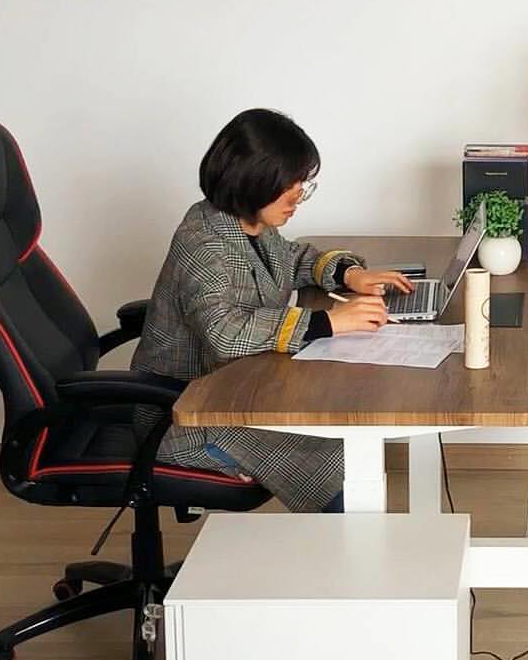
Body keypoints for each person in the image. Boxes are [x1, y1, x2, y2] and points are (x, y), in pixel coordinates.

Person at [132, 108, 414, 513]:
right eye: (291, 183)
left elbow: (292, 260)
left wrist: (350, 275)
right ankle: (359, 568)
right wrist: (327, 321)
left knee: (343, 436)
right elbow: (225, 334)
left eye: (303, 182)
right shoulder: (202, 243)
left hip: (231, 396)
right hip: (184, 417)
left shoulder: (244, 224)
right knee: (338, 461)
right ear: (252, 180)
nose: (298, 194)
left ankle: (357, 560)